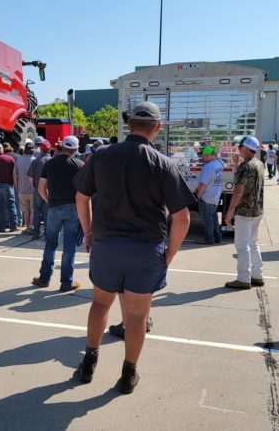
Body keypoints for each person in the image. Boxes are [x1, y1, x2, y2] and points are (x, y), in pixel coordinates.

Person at [73, 101, 194, 394]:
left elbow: (81, 197)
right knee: (138, 316)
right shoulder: (164, 164)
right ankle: (128, 374)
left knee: (100, 304)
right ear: (158, 127)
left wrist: (88, 232)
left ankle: (89, 362)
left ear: (129, 124)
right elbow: (182, 218)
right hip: (145, 249)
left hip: (106, 245)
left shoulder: (101, 155)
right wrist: (169, 253)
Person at [31, 135, 84, 292]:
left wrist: (49, 201)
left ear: (62, 147)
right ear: (76, 149)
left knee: (51, 243)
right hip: (73, 209)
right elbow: (85, 191)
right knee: (69, 246)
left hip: (54, 207)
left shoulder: (50, 163)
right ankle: (66, 282)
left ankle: (44, 278)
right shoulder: (80, 165)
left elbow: (41, 187)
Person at [224, 136, 265, 289]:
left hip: (244, 211)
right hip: (257, 210)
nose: (238, 149)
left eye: (240, 147)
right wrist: (236, 164)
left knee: (242, 246)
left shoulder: (245, 166)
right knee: (253, 243)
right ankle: (257, 275)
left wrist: (229, 212)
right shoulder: (259, 164)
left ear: (246, 149)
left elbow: (238, 191)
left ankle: (243, 278)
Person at [196, 146, 223, 245]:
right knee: (214, 218)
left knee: (208, 220)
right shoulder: (219, 164)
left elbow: (203, 184)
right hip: (215, 196)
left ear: (208, 155)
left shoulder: (207, 167)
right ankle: (218, 237)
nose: (202, 157)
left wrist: (198, 196)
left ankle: (209, 239)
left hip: (207, 197)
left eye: (203, 155)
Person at [27, 141, 51, 239]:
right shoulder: (52, 161)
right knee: (47, 212)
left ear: (41, 150)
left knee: (36, 211)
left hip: (38, 188)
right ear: (49, 150)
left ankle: (36, 234)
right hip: (50, 190)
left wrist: (34, 187)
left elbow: (30, 177)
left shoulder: (35, 162)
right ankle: (47, 234)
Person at [14, 141, 36, 234]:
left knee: (26, 211)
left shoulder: (19, 160)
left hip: (22, 190)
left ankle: (27, 228)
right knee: (33, 211)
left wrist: (16, 187)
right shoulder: (35, 160)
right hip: (33, 190)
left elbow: (14, 175)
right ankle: (31, 227)